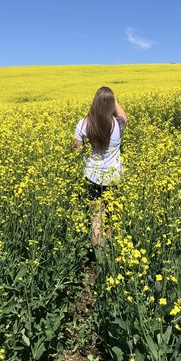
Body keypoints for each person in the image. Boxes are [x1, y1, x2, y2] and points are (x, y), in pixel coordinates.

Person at [73, 86, 128, 248]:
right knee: (111, 215)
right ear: (111, 105)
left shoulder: (84, 123)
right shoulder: (118, 125)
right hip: (114, 176)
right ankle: (109, 251)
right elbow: (124, 115)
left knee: (96, 216)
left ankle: (97, 251)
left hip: (92, 176)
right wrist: (112, 99)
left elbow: (76, 150)